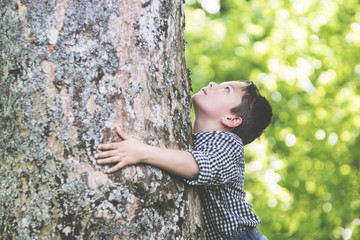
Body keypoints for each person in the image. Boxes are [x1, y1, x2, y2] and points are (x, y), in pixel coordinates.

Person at [94, 81, 272, 240]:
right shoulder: (195, 139)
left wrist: (142, 152)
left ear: (231, 119)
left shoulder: (230, 144)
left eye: (226, 89)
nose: (212, 83)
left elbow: (200, 166)